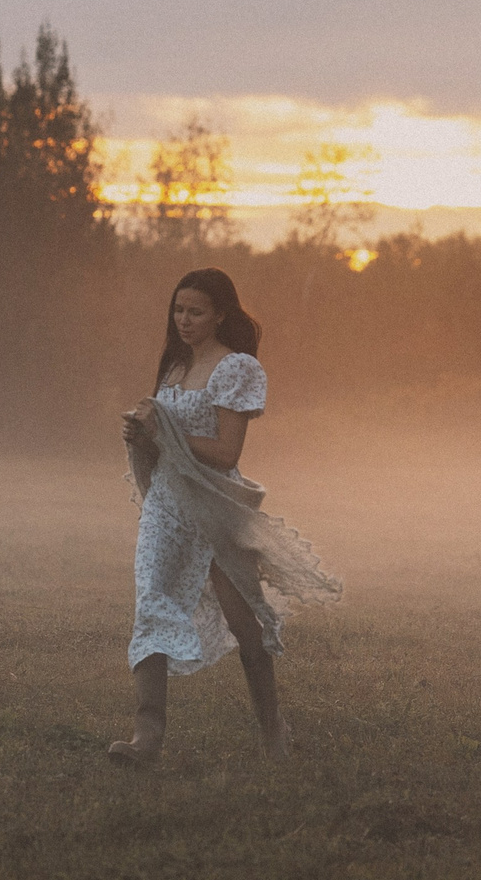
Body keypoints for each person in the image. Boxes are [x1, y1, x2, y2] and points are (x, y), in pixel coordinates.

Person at [113, 267, 336, 763]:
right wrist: (142, 437)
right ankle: (146, 736)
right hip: (168, 508)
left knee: (243, 623)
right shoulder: (174, 367)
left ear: (219, 315)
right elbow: (164, 445)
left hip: (216, 507)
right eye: (178, 310)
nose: (184, 320)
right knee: (151, 603)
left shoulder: (236, 369)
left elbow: (225, 452)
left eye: (196, 312)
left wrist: (163, 432)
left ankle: (272, 728)